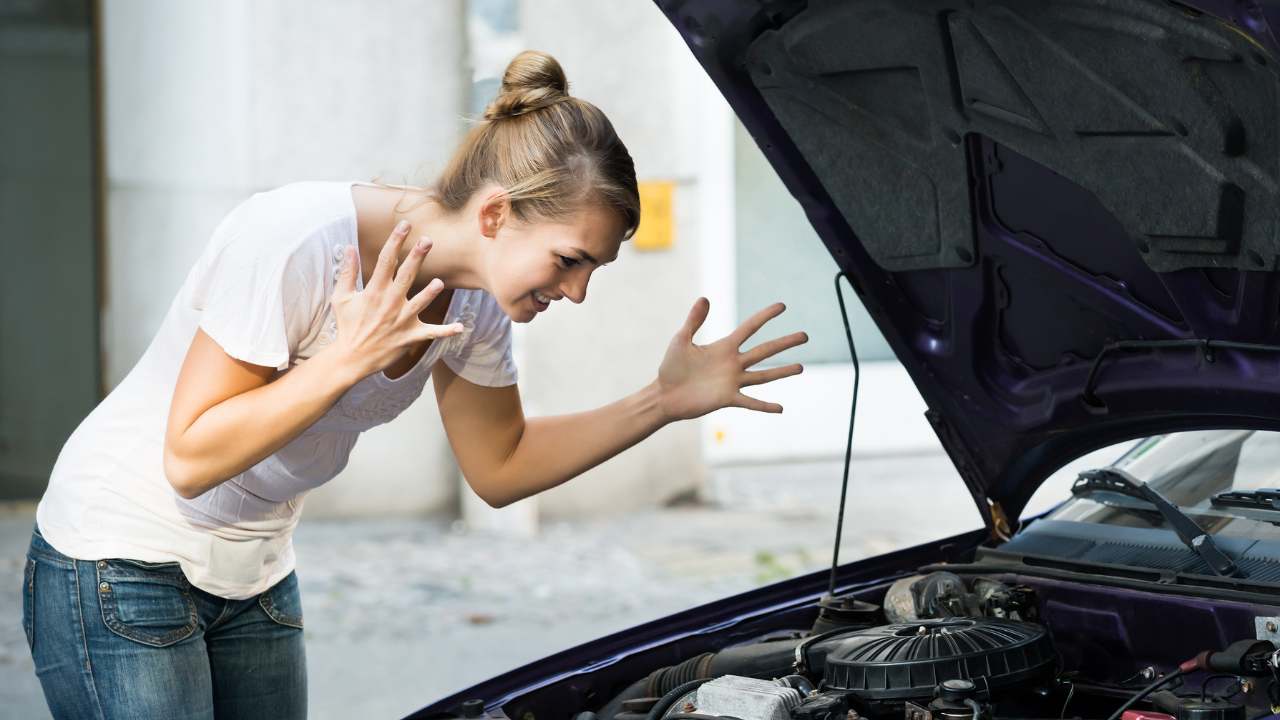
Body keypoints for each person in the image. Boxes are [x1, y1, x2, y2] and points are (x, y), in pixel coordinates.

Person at [19, 50, 807, 719]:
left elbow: (501, 468)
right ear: (496, 215)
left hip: (254, 568)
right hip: (118, 557)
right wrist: (345, 359)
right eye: (569, 260)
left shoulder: (480, 305)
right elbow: (190, 456)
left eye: (593, 270)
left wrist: (661, 403)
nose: (576, 293)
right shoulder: (295, 241)